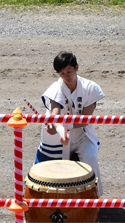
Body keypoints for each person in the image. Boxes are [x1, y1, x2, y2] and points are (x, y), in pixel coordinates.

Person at [34, 51, 105, 196]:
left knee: (90, 157)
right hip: (59, 138)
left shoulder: (90, 88)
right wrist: (55, 127)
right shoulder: (56, 87)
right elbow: (54, 112)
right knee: (52, 168)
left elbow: (86, 119)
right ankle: (54, 200)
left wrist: (66, 127)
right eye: (61, 73)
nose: (66, 76)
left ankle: (94, 198)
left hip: (84, 137)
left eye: (69, 71)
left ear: (77, 68)